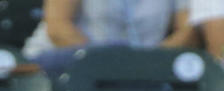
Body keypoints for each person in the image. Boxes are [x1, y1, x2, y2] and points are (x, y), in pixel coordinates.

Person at [24, 0, 198, 59]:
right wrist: (108, 63)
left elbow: (188, 31)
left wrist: (147, 65)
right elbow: (58, 28)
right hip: (68, 60)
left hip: (143, 74)